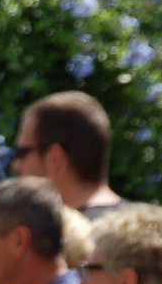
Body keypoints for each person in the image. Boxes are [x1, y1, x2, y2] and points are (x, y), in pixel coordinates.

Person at [11, 92, 127, 220]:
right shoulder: (140, 228)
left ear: (54, 157)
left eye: (22, 152)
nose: (15, 166)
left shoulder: (63, 236)